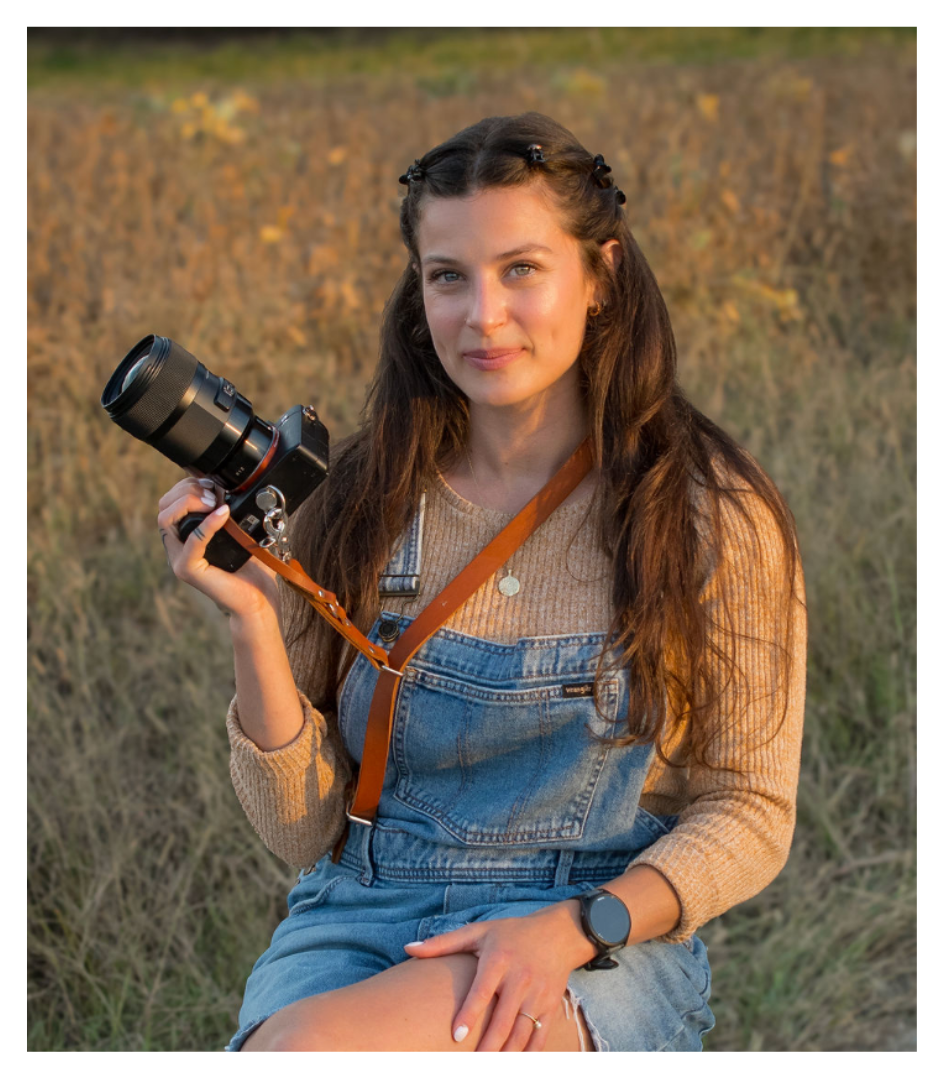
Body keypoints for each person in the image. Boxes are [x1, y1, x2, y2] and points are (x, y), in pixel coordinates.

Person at [156, 112, 807, 1052]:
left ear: (602, 275)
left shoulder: (706, 511)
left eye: (522, 269)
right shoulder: (359, 496)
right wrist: (252, 619)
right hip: (364, 906)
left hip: (598, 930)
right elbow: (303, 835)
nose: (483, 315)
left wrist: (578, 926)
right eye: (448, 276)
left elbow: (750, 809)